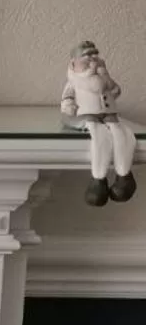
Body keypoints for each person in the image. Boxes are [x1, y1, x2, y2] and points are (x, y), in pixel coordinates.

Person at [61, 41, 137, 205]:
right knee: (98, 135)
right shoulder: (74, 81)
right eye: (86, 56)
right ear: (74, 62)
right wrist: (68, 105)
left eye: (95, 54)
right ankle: (99, 179)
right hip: (88, 115)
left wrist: (107, 81)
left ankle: (124, 175)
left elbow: (115, 90)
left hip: (109, 114)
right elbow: (68, 96)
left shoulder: (103, 78)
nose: (92, 59)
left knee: (119, 132)